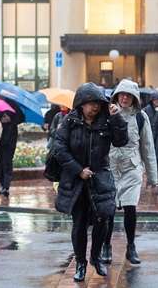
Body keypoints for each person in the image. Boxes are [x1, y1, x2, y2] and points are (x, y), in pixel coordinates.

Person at [52, 83, 128, 282]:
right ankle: (80, 262)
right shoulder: (69, 121)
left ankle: (95, 257)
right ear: (81, 104)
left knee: (103, 220)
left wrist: (117, 117)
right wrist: (78, 170)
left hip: (100, 178)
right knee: (79, 225)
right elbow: (59, 148)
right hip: (76, 180)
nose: (94, 107)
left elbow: (121, 141)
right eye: (90, 103)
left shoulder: (107, 120)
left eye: (97, 103)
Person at [102, 79, 158, 266]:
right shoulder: (106, 114)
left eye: (128, 95)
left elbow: (148, 147)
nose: (124, 98)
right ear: (117, 95)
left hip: (132, 168)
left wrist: (152, 177)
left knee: (130, 208)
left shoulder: (141, 117)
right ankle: (106, 245)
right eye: (122, 94)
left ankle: (131, 246)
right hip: (110, 168)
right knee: (108, 210)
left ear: (134, 98)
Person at [144, 90, 158, 194]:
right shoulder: (146, 111)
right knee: (150, 162)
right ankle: (153, 179)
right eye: (155, 100)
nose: (156, 102)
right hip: (148, 139)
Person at [0, 100, 21, 197]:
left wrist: (10, 119)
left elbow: (20, 118)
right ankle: (2, 184)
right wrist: (0, 119)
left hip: (10, 138)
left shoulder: (14, 105)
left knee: (7, 162)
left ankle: (6, 186)